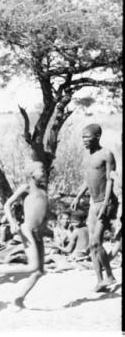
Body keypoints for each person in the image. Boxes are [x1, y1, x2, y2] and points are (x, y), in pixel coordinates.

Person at [0, 161, 49, 311]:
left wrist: (48, 226)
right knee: (33, 266)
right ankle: (0, 271)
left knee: (39, 271)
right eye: (41, 170)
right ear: (31, 174)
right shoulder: (26, 188)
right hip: (27, 230)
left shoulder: (43, 190)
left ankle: (19, 299)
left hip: (38, 232)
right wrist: (12, 222)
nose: (44, 172)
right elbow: (7, 205)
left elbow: (43, 211)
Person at [70, 124, 118, 292]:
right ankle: (100, 281)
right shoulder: (87, 156)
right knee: (92, 245)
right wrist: (78, 196)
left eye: (87, 137)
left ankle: (110, 276)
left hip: (107, 202)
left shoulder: (107, 154)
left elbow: (110, 180)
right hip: (93, 203)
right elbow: (88, 179)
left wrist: (106, 203)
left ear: (97, 136)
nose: (84, 140)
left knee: (96, 241)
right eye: (82, 137)